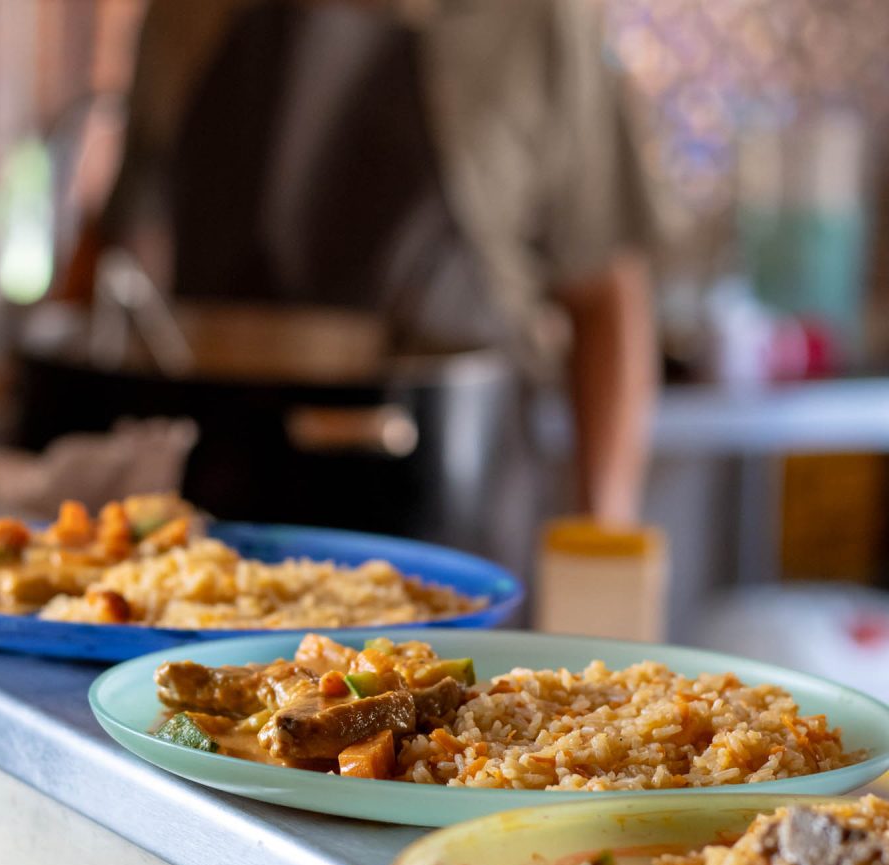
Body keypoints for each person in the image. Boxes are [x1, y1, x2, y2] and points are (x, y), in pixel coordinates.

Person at [62, 0, 659, 526]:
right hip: (217, 508)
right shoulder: (183, 13)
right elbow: (121, 245)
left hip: (459, 498)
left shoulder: (537, 18)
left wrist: (604, 528)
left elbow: (605, 294)